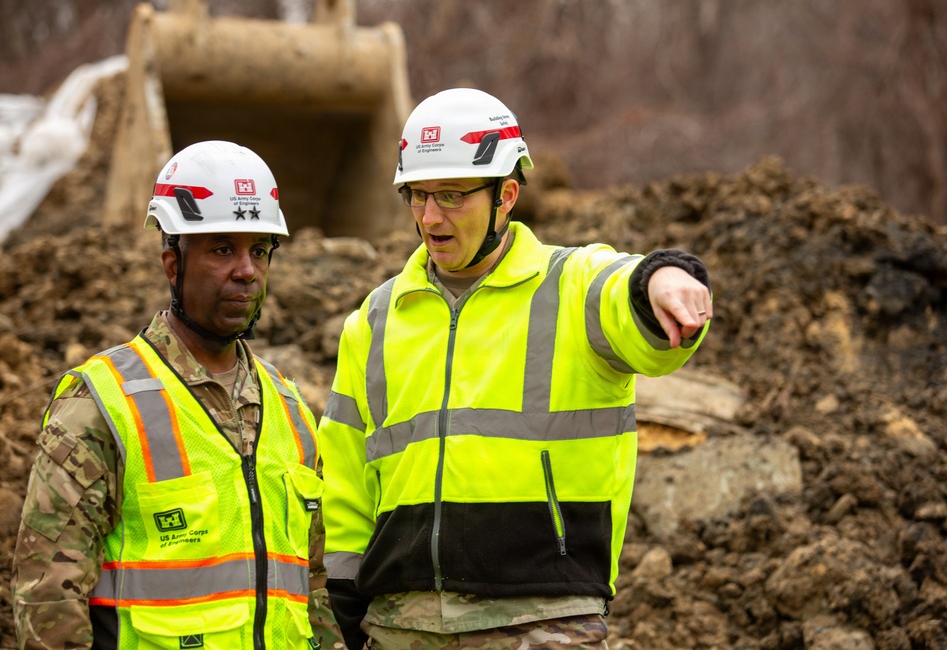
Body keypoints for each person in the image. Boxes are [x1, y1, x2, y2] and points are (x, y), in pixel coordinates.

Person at [318, 88, 713, 649]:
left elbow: (625, 295)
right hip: (400, 625)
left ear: (505, 195)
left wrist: (663, 278)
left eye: (453, 196)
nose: (431, 217)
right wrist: (346, 603)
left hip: (543, 620)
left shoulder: (570, 287)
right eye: (418, 195)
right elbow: (347, 482)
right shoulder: (376, 320)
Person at [11, 140, 343, 649]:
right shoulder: (100, 402)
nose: (246, 271)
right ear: (172, 262)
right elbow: (48, 600)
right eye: (221, 249)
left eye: (259, 250)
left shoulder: (292, 409)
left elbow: (311, 593)